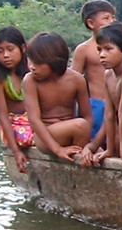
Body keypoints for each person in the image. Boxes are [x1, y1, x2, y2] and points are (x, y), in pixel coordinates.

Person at [22, 32, 92, 162]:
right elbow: (34, 120)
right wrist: (57, 149)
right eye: (30, 60)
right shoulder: (30, 80)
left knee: (89, 136)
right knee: (80, 125)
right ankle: (75, 157)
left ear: (54, 62)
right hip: (45, 136)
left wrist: (89, 145)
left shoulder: (76, 79)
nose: (31, 67)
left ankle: (79, 154)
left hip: (73, 133)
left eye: (38, 63)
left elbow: (87, 115)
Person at [79, 22, 122, 166]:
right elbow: (109, 114)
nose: (102, 55)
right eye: (99, 50)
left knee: (121, 138)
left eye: (108, 49)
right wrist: (100, 147)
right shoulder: (108, 75)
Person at [0, 27, 32, 173]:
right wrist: (16, 151)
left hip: (33, 119)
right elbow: (3, 116)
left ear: (23, 48)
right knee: (28, 138)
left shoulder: (32, 73)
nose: (6, 55)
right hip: (13, 123)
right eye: (0, 51)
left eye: (10, 49)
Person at [71, 0, 116, 139]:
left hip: (117, 101)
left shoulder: (119, 47)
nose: (112, 21)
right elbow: (73, 80)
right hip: (96, 104)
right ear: (91, 23)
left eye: (113, 18)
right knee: (96, 139)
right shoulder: (84, 49)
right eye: (106, 18)